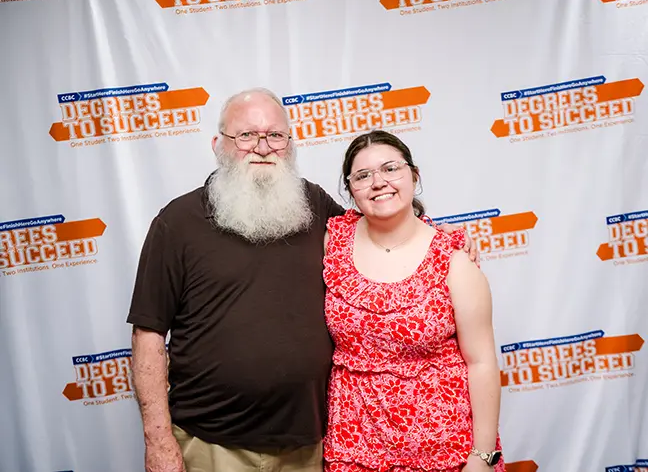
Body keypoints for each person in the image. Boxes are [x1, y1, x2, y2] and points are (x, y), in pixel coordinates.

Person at [127, 88, 477, 472]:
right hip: (210, 445)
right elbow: (148, 336)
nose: (263, 147)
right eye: (246, 135)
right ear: (218, 145)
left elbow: (382, 226)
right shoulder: (176, 223)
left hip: (308, 446)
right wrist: (157, 439)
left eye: (275, 135)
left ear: (289, 144)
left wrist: (442, 241)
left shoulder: (312, 203)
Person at [322, 130, 504, 472]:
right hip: (353, 446)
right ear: (351, 191)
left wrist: (482, 458)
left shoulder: (453, 260)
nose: (379, 182)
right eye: (363, 176)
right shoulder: (333, 241)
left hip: (445, 450)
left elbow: (481, 362)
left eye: (391, 169)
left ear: (414, 176)